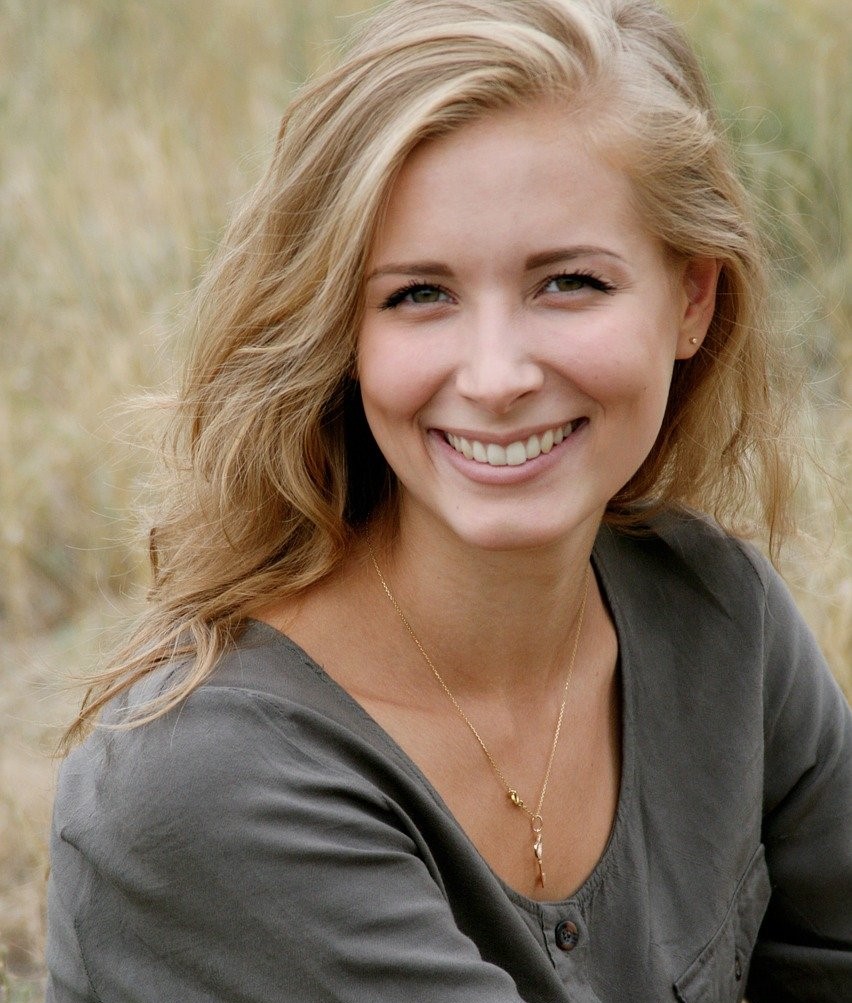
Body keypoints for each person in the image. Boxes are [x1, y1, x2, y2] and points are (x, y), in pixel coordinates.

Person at [46, 0, 851, 1000]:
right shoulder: (205, 786)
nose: (497, 372)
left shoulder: (720, 616)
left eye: (568, 283)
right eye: (418, 294)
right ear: (340, 332)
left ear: (691, 299)